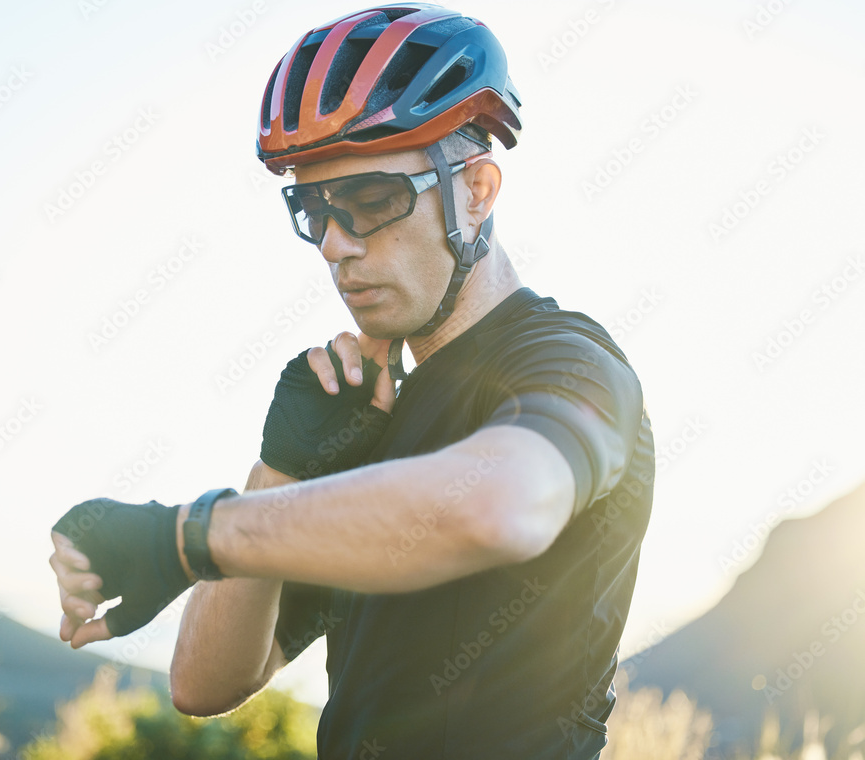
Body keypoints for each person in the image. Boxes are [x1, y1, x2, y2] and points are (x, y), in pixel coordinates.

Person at [49, 4, 654, 758]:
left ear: (478, 190)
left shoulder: (570, 362)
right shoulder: (369, 416)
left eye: (370, 201)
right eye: (313, 210)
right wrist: (280, 468)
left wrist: (189, 537)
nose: (335, 245)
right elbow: (206, 683)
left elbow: (499, 507)